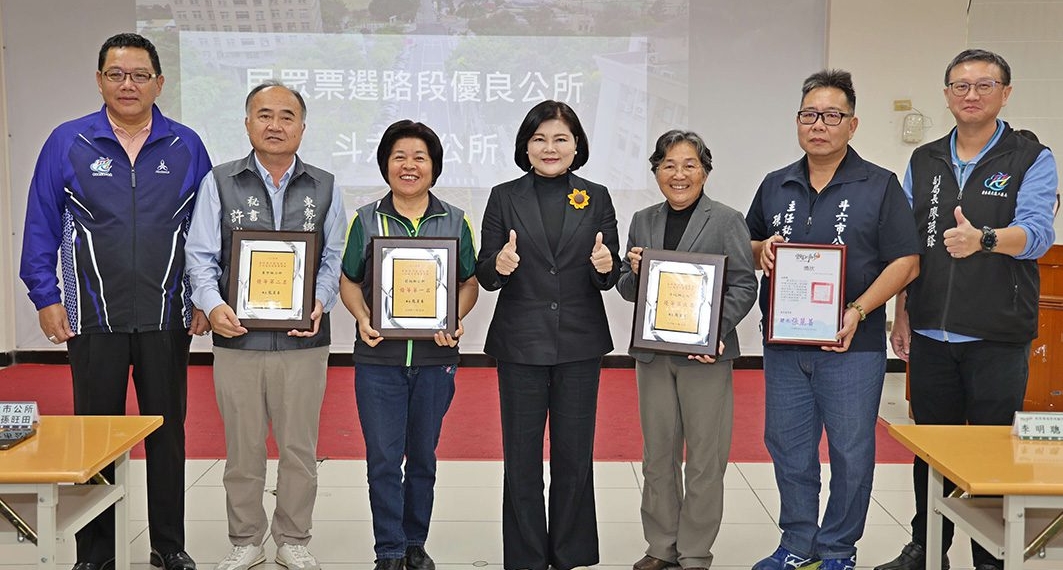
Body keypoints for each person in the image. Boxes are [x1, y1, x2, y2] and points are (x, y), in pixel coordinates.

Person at [19, 32, 212, 570]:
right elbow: (40, 226)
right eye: (116, 74)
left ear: (159, 82)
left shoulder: (186, 145)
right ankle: (96, 551)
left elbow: (206, 230)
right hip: (91, 316)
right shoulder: (67, 141)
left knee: (167, 434)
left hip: (166, 315)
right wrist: (45, 295)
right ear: (99, 79)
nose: (128, 85)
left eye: (139, 75)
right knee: (94, 438)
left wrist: (203, 294)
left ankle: (168, 546)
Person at [876, 49, 1058, 570]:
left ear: (1006, 92)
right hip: (931, 329)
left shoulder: (1030, 156)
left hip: (997, 331)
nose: (971, 95)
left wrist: (985, 239)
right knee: (931, 445)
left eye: (984, 85)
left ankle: (990, 554)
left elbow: (1040, 235)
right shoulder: (924, 159)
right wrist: (903, 313)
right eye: (960, 86)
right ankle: (925, 546)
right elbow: (908, 244)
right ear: (947, 94)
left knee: (992, 450)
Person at [745, 70, 921, 570]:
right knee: (788, 446)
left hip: (853, 344)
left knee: (850, 451)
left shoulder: (880, 185)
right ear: (797, 122)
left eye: (831, 115)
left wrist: (859, 309)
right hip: (784, 345)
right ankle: (797, 543)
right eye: (808, 115)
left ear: (852, 123)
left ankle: (838, 549)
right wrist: (764, 250)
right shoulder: (775, 183)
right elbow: (749, 243)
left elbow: (906, 261)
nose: (818, 124)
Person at [185, 80, 346, 570]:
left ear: (302, 125)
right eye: (264, 115)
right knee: (243, 449)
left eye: (286, 116)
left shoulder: (326, 185)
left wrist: (319, 300)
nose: (275, 125)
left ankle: (293, 538)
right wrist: (213, 307)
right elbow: (201, 255)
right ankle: (246, 538)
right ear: (248, 122)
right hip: (239, 340)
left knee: (300, 448)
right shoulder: (220, 181)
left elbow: (333, 256)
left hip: (304, 340)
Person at [475, 100, 621, 570]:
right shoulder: (504, 195)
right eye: (539, 139)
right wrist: (497, 265)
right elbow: (484, 270)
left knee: (574, 455)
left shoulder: (596, 196)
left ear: (576, 145)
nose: (550, 147)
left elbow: (609, 268)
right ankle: (525, 556)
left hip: (579, 342)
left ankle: (569, 553)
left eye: (560, 138)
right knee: (521, 458)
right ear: (526, 146)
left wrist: (607, 268)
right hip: (521, 342)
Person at [339, 120, 480, 570]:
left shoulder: (456, 220)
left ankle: (415, 543)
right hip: (378, 358)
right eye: (399, 156)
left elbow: (468, 282)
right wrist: (363, 318)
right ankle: (389, 549)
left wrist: (454, 319)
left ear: (434, 167)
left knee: (422, 456)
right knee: (382, 459)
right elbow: (349, 280)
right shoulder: (365, 219)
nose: (409, 165)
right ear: (385, 165)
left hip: (436, 356)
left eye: (419, 157)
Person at [616, 130, 757, 570]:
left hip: (706, 356)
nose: (679, 175)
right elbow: (625, 286)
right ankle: (661, 546)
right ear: (656, 171)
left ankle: (694, 551)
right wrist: (634, 273)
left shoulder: (728, 219)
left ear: (705, 171)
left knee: (704, 458)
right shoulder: (642, 219)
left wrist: (716, 329)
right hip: (654, 356)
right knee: (657, 455)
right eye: (668, 166)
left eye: (689, 165)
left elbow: (744, 284)